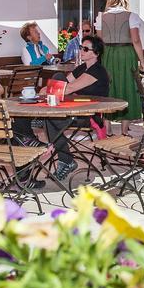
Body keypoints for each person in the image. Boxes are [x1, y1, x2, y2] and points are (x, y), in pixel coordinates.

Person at [44, 34, 111, 181]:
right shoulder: (82, 68)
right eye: (81, 47)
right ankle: (66, 161)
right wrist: (45, 90)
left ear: (96, 53)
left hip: (90, 115)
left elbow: (69, 88)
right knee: (57, 77)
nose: (82, 50)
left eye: (86, 49)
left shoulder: (97, 71)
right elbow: (63, 82)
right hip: (78, 110)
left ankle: (66, 161)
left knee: (50, 119)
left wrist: (46, 91)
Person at [94, 0, 144, 120]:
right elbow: (136, 40)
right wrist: (142, 61)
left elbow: (99, 40)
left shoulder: (101, 18)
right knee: (129, 84)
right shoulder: (131, 16)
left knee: (109, 85)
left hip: (108, 53)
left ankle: (108, 127)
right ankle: (124, 129)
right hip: (126, 53)